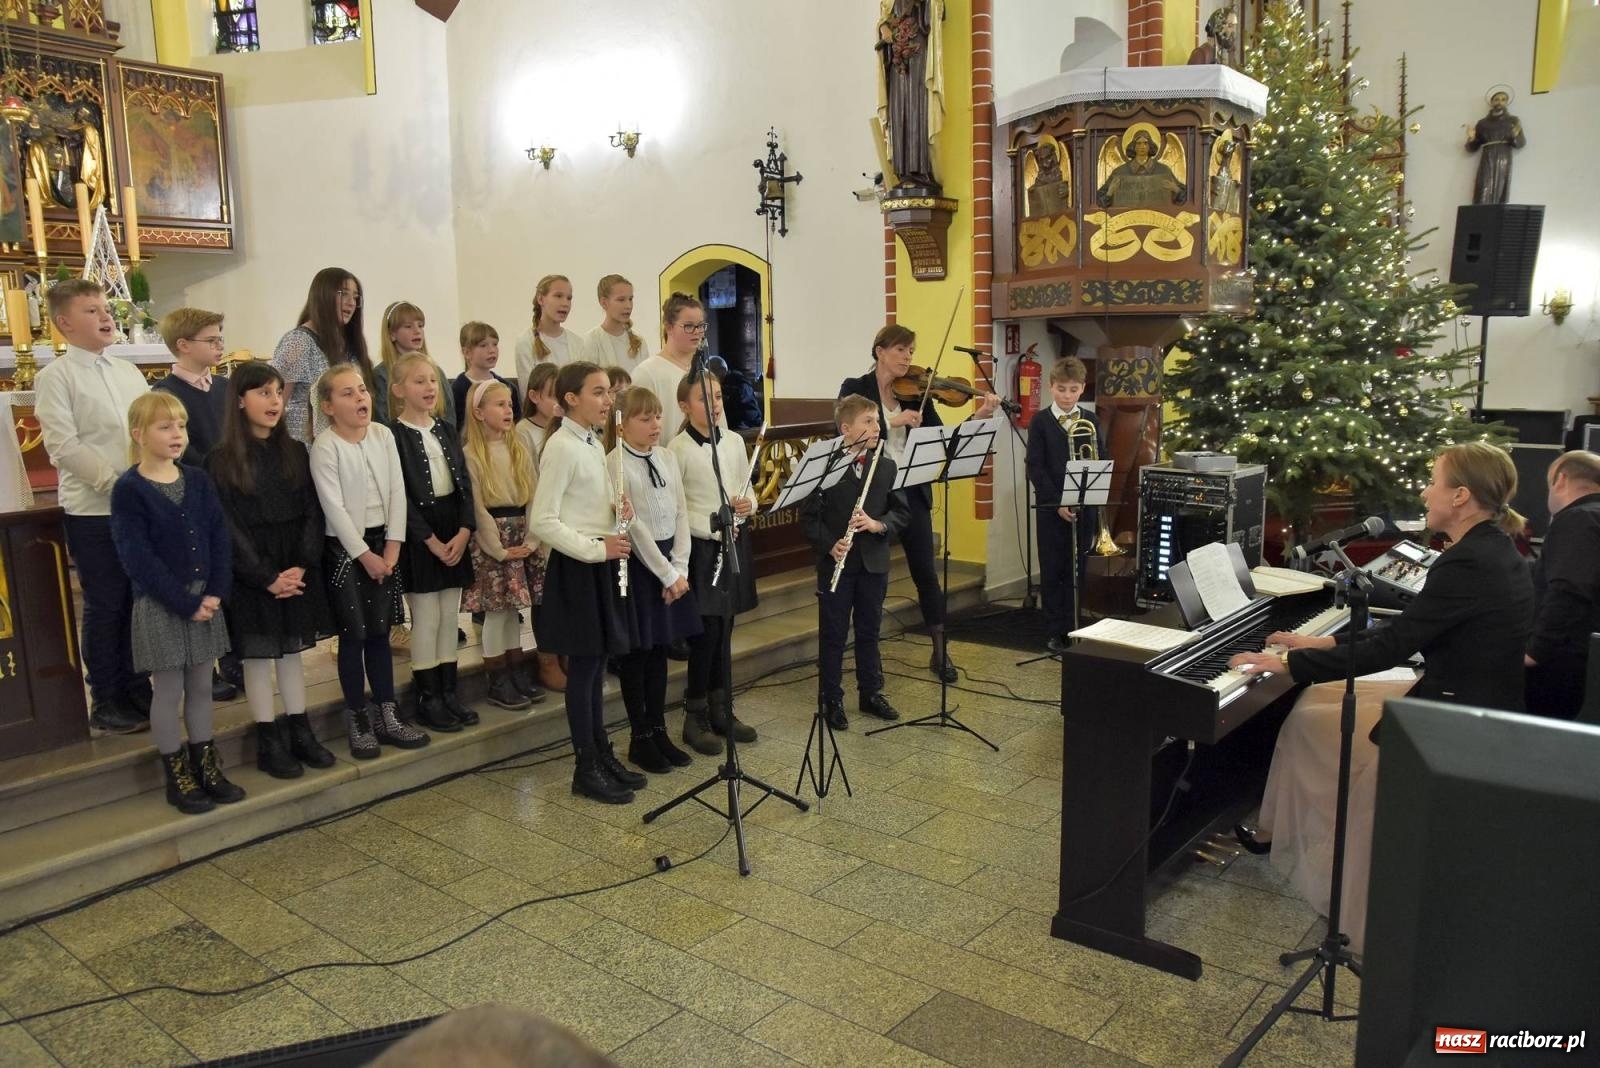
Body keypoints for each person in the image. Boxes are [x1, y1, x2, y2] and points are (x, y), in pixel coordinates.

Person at [1229, 442, 1535, 954]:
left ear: (1460, 496)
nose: (1425, 491)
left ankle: (1316, 851)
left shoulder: (1468, 562)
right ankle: (1274, 829)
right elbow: (1410, 630)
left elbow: (1392, 647)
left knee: (1316, 725)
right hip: (1468, 694)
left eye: (1433, 481)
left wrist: (1286, 664)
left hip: (1456, 716)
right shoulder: (1491, 548)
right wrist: (1319, 644)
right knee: (1315, 704)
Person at [839, 323, 1000, 682]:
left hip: (910, 491)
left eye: (911, 351)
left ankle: (940, 652)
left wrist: (979, 416)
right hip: (871, 494)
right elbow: (842, 429)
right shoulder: (855, 388)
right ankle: (869, 662)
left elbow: (945, 440)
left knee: (926, 573)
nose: (908, 357)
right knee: (872, 579)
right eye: (901, 349)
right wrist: (892, 421)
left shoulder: (916, 395)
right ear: (880, 351)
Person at [111, 392, 243, 814]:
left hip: (205, 598)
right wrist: (185, 603)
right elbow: (137, 558)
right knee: (168, 690)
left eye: (181, 426)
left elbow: (218, 537)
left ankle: (206, 765)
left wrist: (215, 591)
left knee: (202, 686)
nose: (177, 434)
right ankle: (178, 774)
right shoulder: (129, 489)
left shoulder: (197, 480)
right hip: (162, 602)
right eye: (165, 427)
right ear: (139, 434)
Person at [34, 279, 152, 734]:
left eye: (105, 308)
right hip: (94, 510)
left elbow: (149, 427)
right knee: (107, 602)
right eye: (91, 310)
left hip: (139, 503)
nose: (106, 316)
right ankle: (106, 696)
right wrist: (117, 483)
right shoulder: (56, 378)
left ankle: (139, 685)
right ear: (64, 323)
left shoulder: (128, 372)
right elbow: (63, 446)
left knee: (140, 600)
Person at [208, 362, 337, 780]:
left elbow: (312, 511)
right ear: (239, 401)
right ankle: (268, 739)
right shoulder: (221, 460)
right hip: (253, 572)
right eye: (263, 393)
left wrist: (301, 564)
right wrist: (266, 577)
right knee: (258, 657)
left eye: (278, 392)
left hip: (294, 565)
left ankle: (301, 730)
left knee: (293, 654)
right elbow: (227, 527)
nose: (275, 401)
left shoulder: (295, 451)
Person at [530, 362, 643, 804]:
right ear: (571, 398)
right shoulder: (561, 447)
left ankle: (601, 753)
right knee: (583, 671)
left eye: (608, 392)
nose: (608, 400)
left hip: (599, 561)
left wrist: (617, 506)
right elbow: (543, 520)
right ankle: (586, 767)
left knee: (596, 668)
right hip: (579, 567)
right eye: (598, 392)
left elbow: (586, 504)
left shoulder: (592, 442)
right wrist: (597, 548)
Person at [309, 364, 430, 759]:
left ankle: (387, 713)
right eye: (347, 393)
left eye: (362, 390)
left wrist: (393, 546)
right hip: (347, 551)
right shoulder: (326, 446)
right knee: (354, 635)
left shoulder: (382, 435)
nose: (360, 397)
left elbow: (397, 490)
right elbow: (334, 507)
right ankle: (358, 717)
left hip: (384, 545)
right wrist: (364, 555)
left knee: (380, 632)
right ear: (328, 406)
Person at [607, 386, 700, 772]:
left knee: (660, 650)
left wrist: (681, 568)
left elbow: (681, 512)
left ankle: (660, 729)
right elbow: (632, 525)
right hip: (640, 565)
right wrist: (665, 572)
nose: (655, 424)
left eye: (658, 416)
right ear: (622, 425)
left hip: (671, 566)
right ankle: (640, 736)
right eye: (645, 418)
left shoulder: (666, 457)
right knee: (638, 654)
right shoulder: (615, 463)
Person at [802, 395, 909, 730]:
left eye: (877, 421)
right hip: (837, 563)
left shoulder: (886, 466)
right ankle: (831, 697)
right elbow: (808, 518)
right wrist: (828, 545)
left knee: (869, 630)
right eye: (868, 421)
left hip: (873, 562)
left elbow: (901, 512)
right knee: (833, 633)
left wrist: (878, 525)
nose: (877, 427)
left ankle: (871, 692)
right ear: (846, 429)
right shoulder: (824, 468)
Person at [668, 368, 759, 753]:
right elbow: (677, 508)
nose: (714, 404)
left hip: (734, 541)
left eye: (718, 396)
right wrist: (712, 526)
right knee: (705, 635)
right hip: (702, 549)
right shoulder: (677, 450)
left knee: (726, 629)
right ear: (685, 406)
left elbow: (748, 490)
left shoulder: (735, 441)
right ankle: (695, 715)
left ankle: (722, 708)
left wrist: (746, 506)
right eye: (704, 398)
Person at [152, 307, 240, 704]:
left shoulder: (225, 387)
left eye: (221, 337)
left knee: (233, 576)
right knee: (203, 580)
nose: (220, 345)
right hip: (195, 496)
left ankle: (235, 657)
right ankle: (208, 664)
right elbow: (176, 449)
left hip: (234, 492)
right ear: (183, 345)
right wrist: (212, 473)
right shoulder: (164, 394)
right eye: (212, 339)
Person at [390, 352, 478, 732]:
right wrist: (427, 539)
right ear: (398, 390)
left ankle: (448, 691)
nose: (429, 387)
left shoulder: (445, 429)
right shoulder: (393, 435)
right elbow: (399, 493)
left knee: (448, 616)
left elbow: (464, 483)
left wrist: (464, 529)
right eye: (419, 381)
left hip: (452, 526)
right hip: (419, 534)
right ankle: (428, 697)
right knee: (425, 618)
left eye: (432, 380)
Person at [460, 378, 545, 712]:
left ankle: (516, 669)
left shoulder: (519, 447)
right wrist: (497, 549)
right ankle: (497, 677)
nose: (508, 410)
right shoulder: (471, 454)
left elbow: (535, 494)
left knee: (513, 611)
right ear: (479, 413)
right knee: (496, 612)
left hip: (522, 534)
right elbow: (478, 507)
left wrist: (532, 539)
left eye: (510, 404)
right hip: (493, 540)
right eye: (499, 405)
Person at [1025, 357, 1105, 653]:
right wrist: (1058, 502)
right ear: (1051, 387)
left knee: (1077, 569)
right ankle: (1053, 629)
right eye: (1061, 389)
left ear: (1082, 388)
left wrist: (1087, 496)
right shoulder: (1040, 421)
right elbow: (1035, 466)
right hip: (1051, 509)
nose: (1067, 396)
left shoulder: (1091, 420)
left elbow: (1100, 458)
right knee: (1053, 569)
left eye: (1073, 390)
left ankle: (1073, 626)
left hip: (1084, 507)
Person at [1525, 451, 1600, 719]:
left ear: (1561, 480)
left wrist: (1534, 651)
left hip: (1565, 668)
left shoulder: (1578, 518)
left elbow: (1569, 589)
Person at [272, 268, 372, 444]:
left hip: (343, 445)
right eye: (344, 294)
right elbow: (275, 403)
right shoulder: (298, 341)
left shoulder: (350, 345)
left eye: (355, 297)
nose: (351, 303)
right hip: (304, 447)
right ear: (323, 295)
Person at [632, 292, 724, 441]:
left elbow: (719, 427)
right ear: (669, 327)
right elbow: (638, 427)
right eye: (689, 326)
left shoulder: (705, 374)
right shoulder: (647, 373)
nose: (697, 332)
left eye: (701, 326)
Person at [875, 0, 944, 191]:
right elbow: (884, 20)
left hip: (918, 54)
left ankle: (920, 171)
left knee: (917, 108)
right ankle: (902, 171)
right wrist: (883, 28)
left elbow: (935, 14)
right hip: (896, 62)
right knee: (898, 110)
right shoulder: (888, 2)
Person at [373, 300, 453, 430]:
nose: (417, 331)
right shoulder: (381, 375)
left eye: (420, 326)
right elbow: (382, 422)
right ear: (392, 334)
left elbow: (448, 414)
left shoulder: (436, 371)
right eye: (408, 326)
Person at [514, 274, 584, 390]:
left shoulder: (577, 342)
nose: (565, 303)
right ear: (541, 299)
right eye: (558, 296)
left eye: (569, 298)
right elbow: (528, 391)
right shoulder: (526, 342)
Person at [453, 321, 522, 427]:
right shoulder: (458, 390)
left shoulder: (508, 387)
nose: (492, 350)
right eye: (483, 345)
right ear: (467, 352)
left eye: (495, 344)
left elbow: (515, 422)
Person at [1466, 90, 1526, 205]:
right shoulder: (1482, 123)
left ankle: (1497, 212)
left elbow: (1520, 143)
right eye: (1496, 99)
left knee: (1500, 187)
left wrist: (1515, 136)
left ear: (1506, 102)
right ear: (1492, 102)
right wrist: (1471, 138)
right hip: (1487, 156)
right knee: (1483, 187)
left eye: (1503, 99)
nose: (1499, 102)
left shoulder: (1513, 121)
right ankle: (1480, 212)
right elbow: (1472, 148)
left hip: (1503, 156)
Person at [584, 274, 650, 375]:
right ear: (604, 303)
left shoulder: (639, 342)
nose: (628, 306)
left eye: (630, 299)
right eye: (621, 300)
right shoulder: (592, 340)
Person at [517, 360, 562, 462]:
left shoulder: (566, 426)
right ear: (534, 396)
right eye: (554, 396)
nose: (560, 403)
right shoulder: (523, 430)